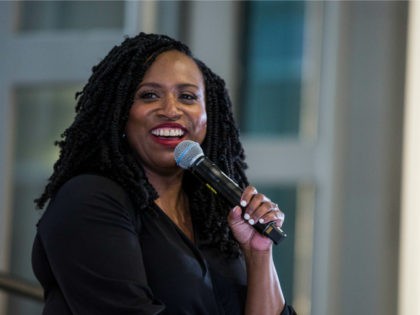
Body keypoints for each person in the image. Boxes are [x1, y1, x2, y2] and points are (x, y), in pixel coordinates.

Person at [31, 32, 297, 315]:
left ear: (208, 115)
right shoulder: (89, 199)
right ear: (121, 111)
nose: (171, 110)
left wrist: (258, 252)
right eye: (149, 95)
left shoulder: (216, 215)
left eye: (187, 96)